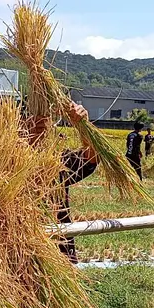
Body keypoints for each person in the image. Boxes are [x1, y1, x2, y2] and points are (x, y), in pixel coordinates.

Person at [27, 102, 99, 264]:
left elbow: (92, 158)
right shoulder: (0, 160)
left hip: (59, 248)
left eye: (45, 120)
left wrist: (83, 125)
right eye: (30, 120)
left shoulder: (56, 159)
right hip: (19, 249)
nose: (39, 124)